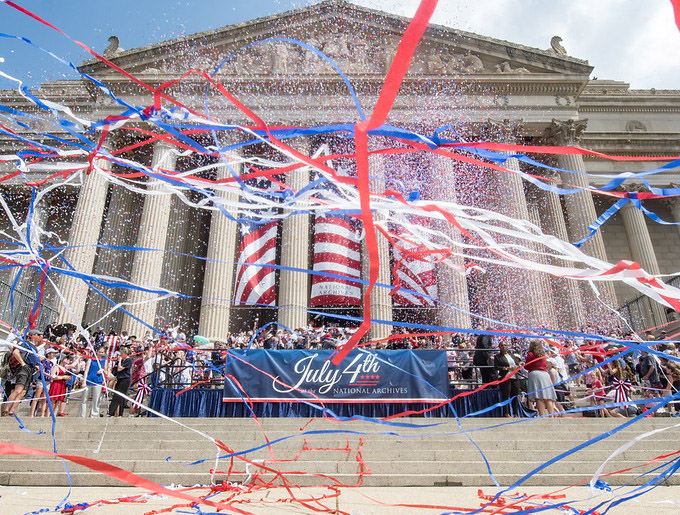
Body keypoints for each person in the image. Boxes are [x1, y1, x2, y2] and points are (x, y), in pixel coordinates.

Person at [524, 339, 557, 416]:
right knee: (548, 396)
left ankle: (542, 415)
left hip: (535, 374)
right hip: (545, 374)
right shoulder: (543, 355)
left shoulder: (530, 354)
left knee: (538, 397)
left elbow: (527, 366)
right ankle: (551, 415)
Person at [494, 341, 521, 417]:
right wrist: (507, 368)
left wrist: (516, 367)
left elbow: (517, 364)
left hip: (514, 377)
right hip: (505, 377)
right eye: (502, 345)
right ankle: (506, 413)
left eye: (505, 345)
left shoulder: (512, 355)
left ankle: (515, 413)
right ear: (499, 347)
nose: (504, 347)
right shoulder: (498, 357)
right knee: (506, 395)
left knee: (515, 395)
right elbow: (496, 367)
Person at [79, 346, 107, 418]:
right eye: (99, 352)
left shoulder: (104, 361)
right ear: (96, 352)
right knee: (84, 399)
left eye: (102, 352)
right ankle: (81, 415)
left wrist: (102, 370)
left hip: (98, 382)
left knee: (96, 399)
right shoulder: (90, 360)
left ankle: (94, 415)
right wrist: (84, 381)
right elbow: (86, 370)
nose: (101, 353)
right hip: (89, 380)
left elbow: (106, 371)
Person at [108, 346, 132, 417]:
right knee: (118, 396)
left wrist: (120, 361)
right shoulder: (123, 361)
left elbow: (119, 368)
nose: (120, 355)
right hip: (120, 378)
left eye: (122, 354)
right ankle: (118, 413)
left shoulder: (128, 360)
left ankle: (110, 412)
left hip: (125, 380)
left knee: (118, 396)